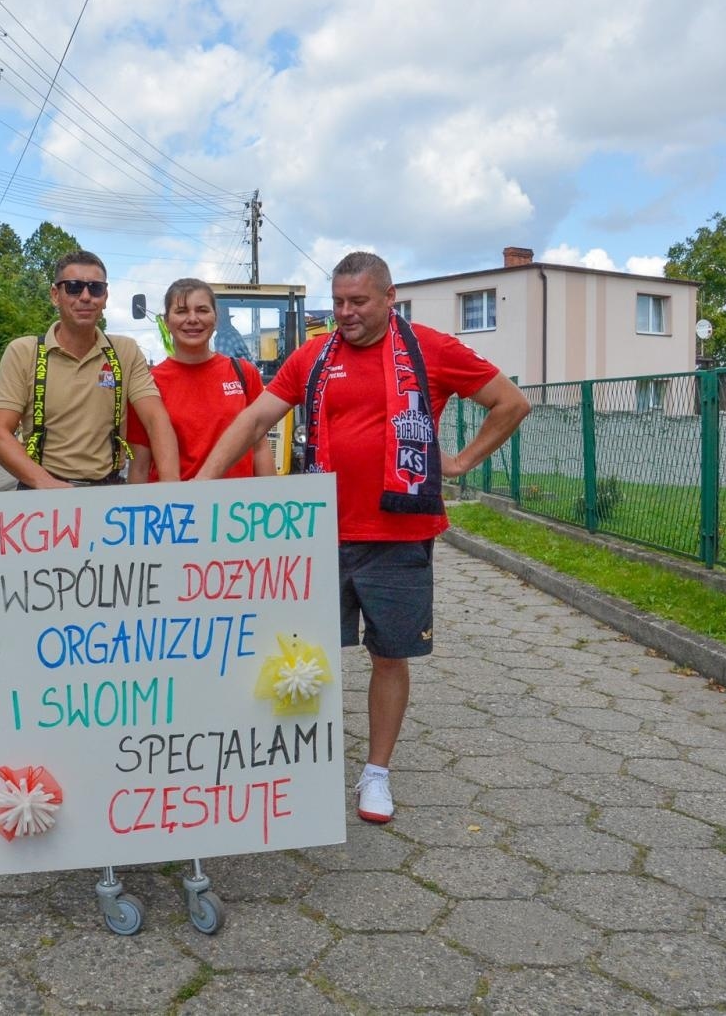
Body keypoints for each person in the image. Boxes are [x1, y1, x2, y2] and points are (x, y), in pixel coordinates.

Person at [196, 252, 529, 824]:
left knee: (389, 656)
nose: (345, 313)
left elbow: (512, 402)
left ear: (389, 298)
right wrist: (201, 484)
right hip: (319, 533)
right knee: (298, 655)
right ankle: (294, 766)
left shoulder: (431, 349)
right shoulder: (314, 356)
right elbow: (255, 420)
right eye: (338, 301)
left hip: (399, 535)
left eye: (358, 302)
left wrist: (460, 462)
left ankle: (376, 773)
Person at [0, 249, 180, 488]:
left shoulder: (125, 351)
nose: (86, 296)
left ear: (105, 297)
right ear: (55, 295)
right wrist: (45, 483)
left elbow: (155, 419)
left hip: (107, 490)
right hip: (43, 490)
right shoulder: (24, 352)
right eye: (74, 287)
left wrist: (172, 487)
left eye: (95, 288)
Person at [127, 278, 277, 482]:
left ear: (215, 319)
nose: (192, 319)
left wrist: (271, 497)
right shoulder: (149, 383)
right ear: (166, 322)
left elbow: (260, 447)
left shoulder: (243, 373)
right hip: (176, 501)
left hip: (237, 501)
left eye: (202, 310)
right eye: (181, 311)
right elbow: (140, 465)